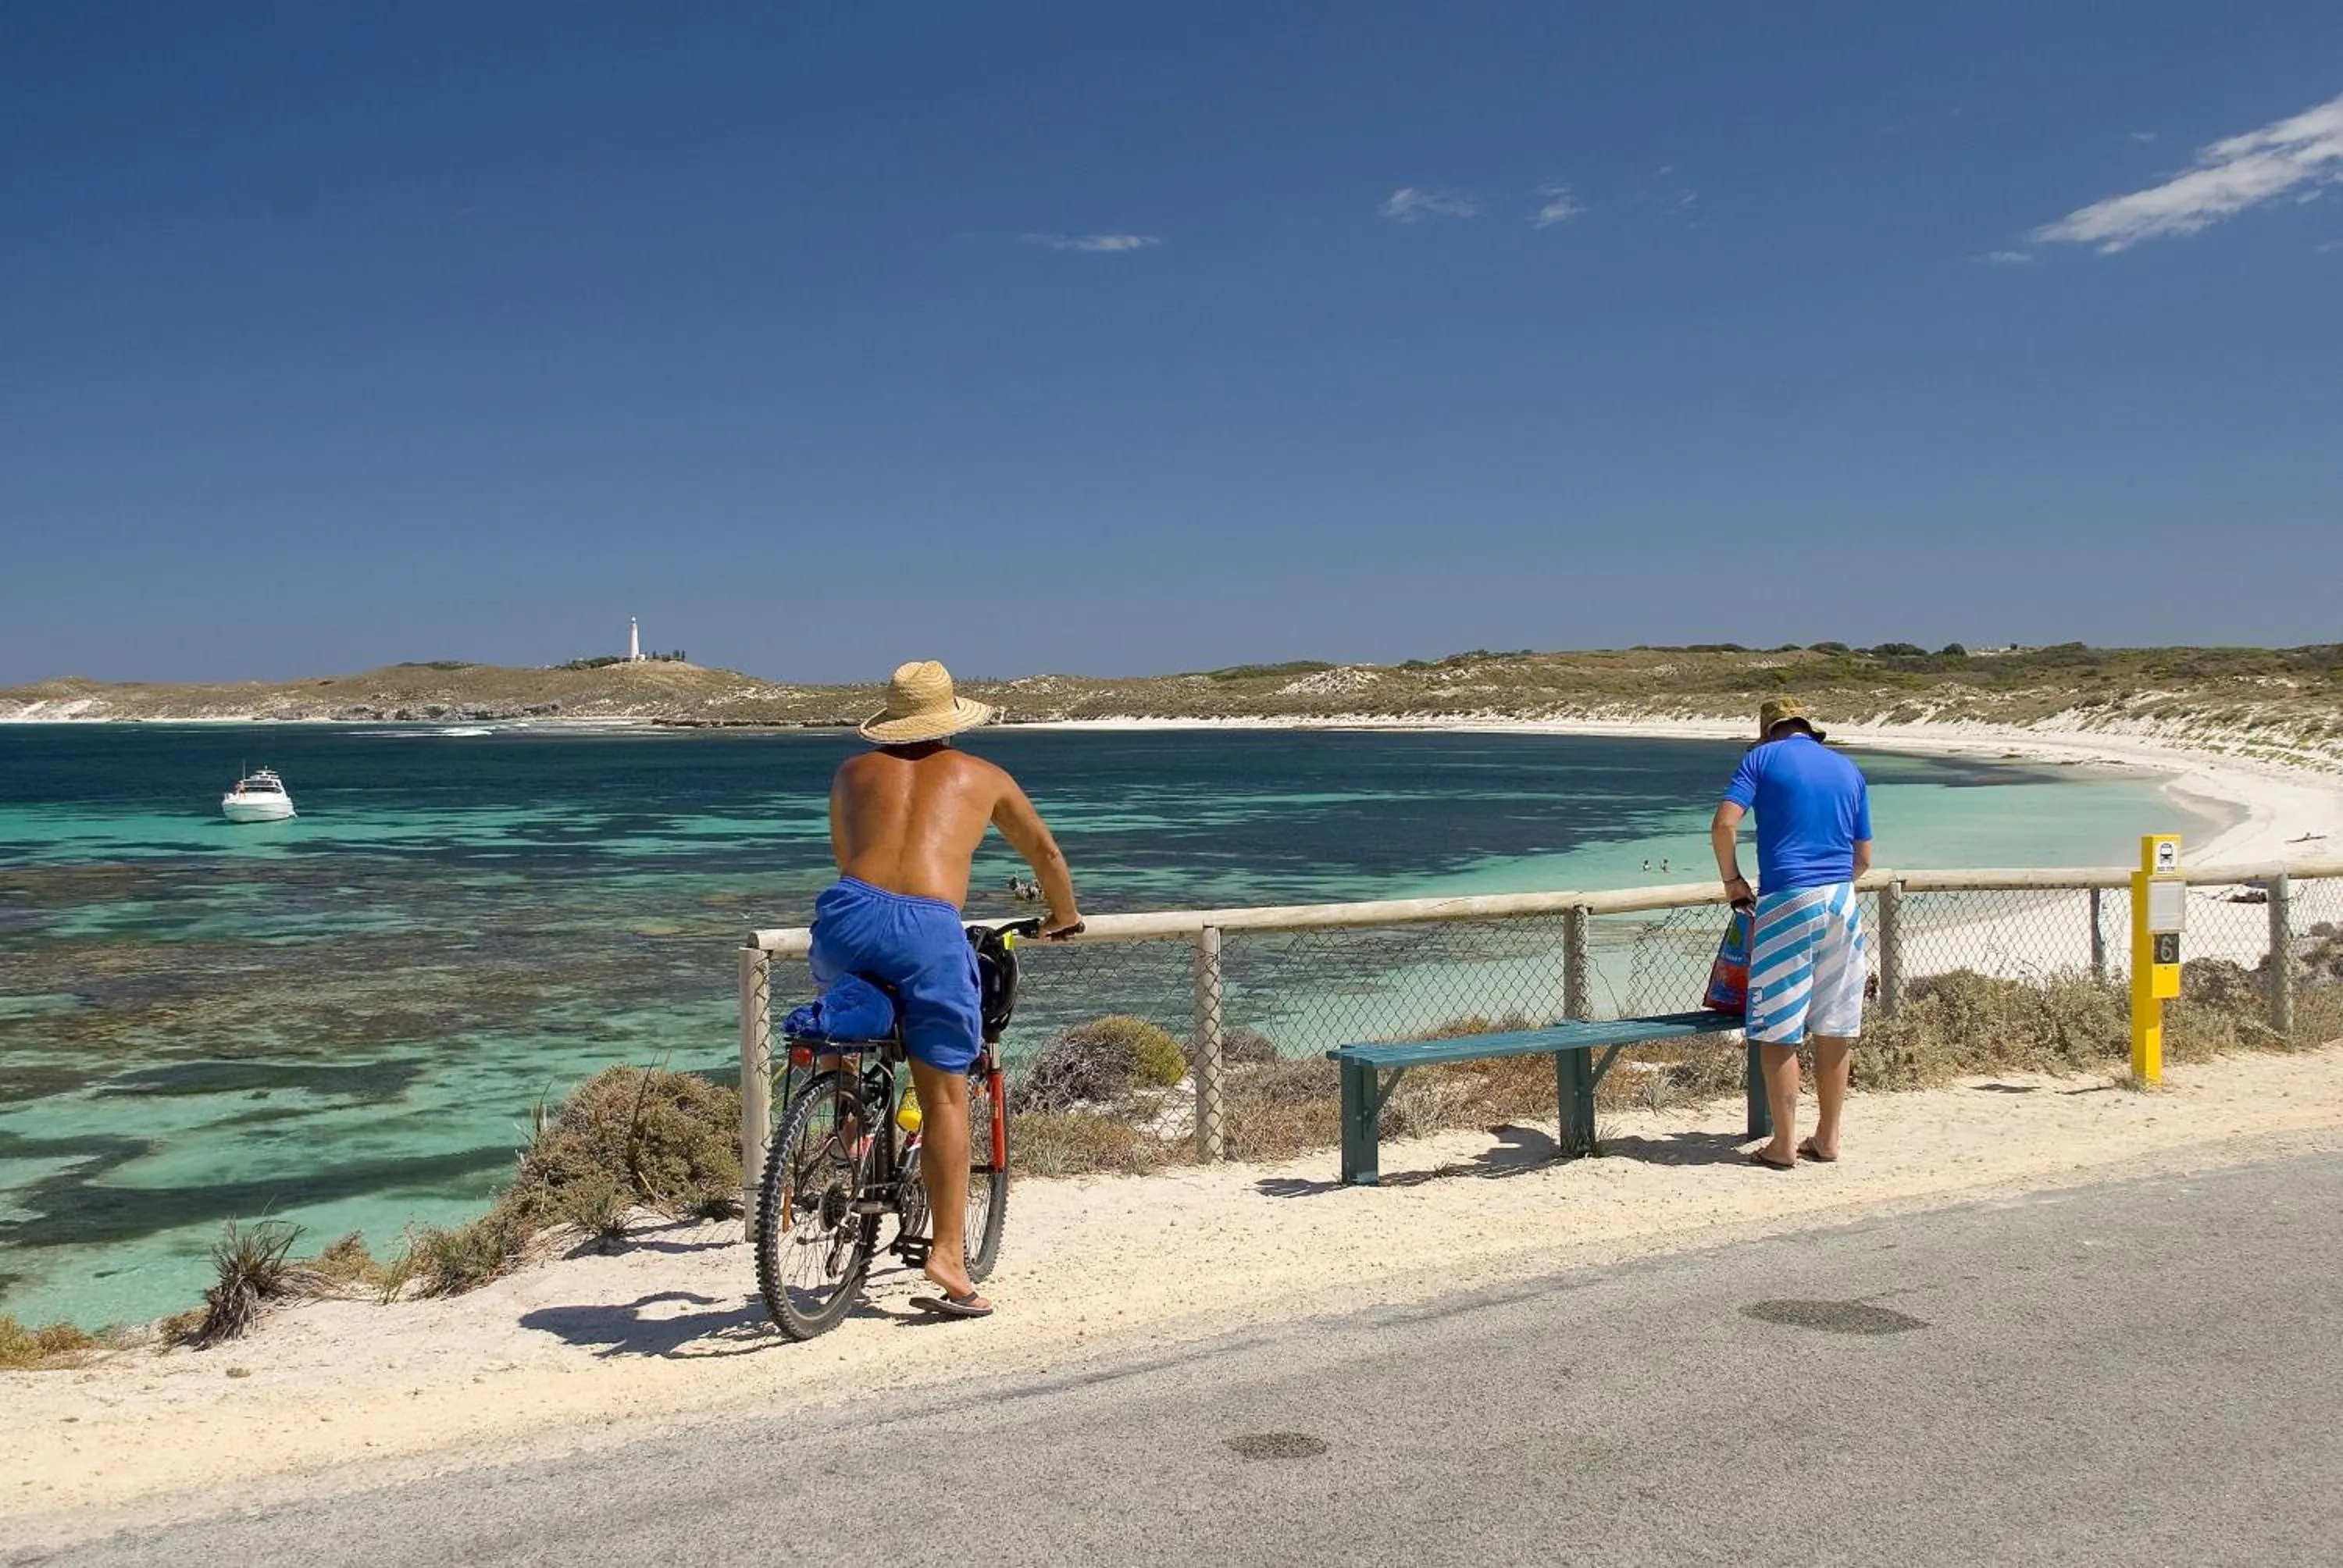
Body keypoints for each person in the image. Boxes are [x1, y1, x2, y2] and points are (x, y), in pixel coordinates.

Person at [811, 660, 1083, 1317]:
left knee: (841, 1013)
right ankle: (948, 1258)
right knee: (945, 1100)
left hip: (849, 911)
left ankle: (846, 1114)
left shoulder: (851, 774)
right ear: (950, 717)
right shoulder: (982, 776)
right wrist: (1064, 916)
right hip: (929, 927)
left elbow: (848, 855)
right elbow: (1044, 853)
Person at [1709, 697, 1872, 1171]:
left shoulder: (1759, 759)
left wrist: (1732, 881)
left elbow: (1723, 825)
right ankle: (1827, 1137)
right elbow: (1863, 859)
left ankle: (1783, 1144)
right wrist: (1829, 887)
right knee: (1835, 1023)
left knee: (1779, 1028)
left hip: (1788, 898)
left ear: (1768, 732)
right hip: (1843, 901)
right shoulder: (1847, 769)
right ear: (1808, 729)